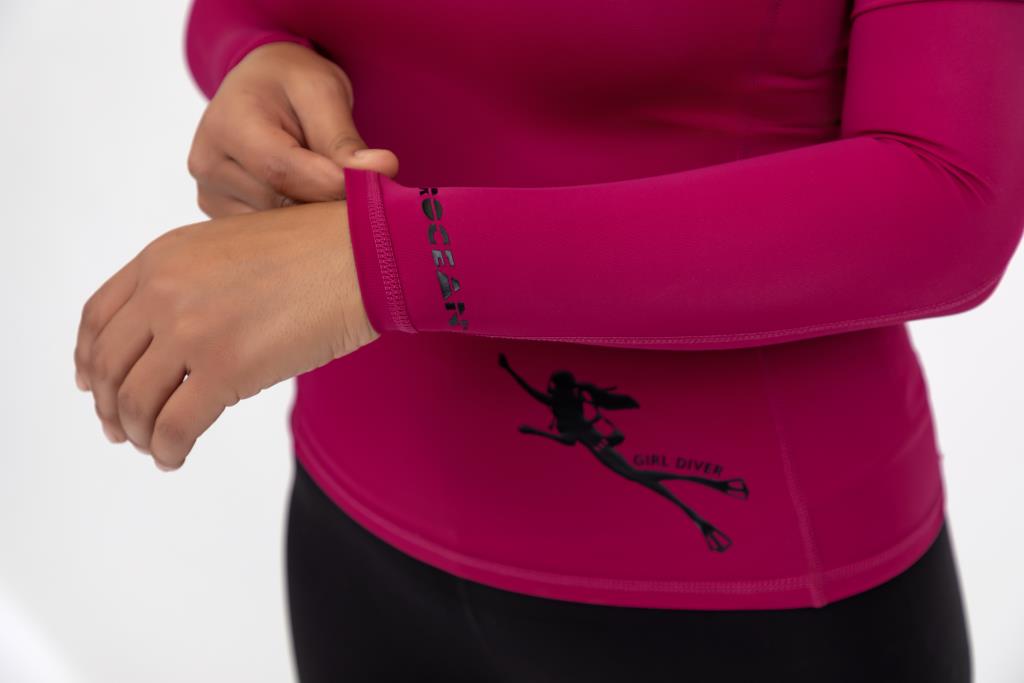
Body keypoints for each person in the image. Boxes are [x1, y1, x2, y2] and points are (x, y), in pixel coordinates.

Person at [74, 0, 1023, 680]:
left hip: (745, 605)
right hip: (356, 535)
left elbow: (947, 197)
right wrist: (254, 57)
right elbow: (239, 10)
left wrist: (388, 260)